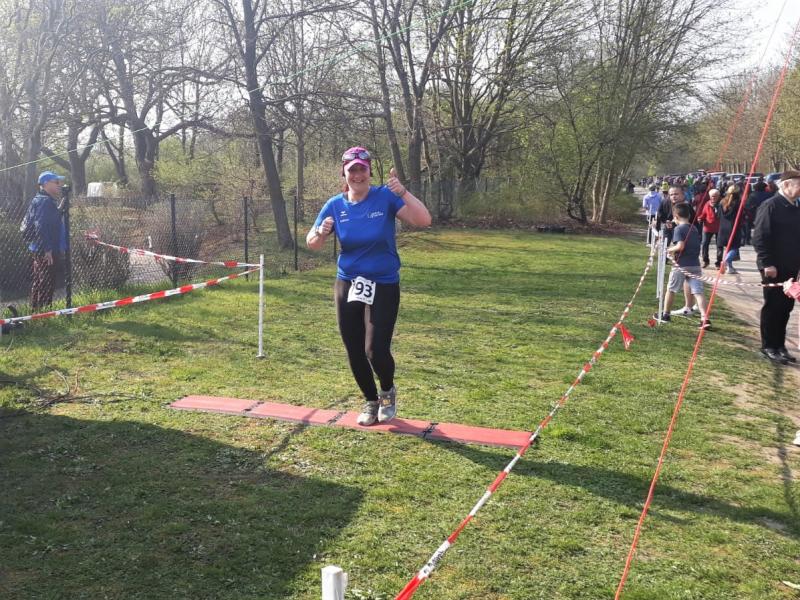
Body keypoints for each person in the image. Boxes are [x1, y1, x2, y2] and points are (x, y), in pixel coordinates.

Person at [307, 147, 431, 426]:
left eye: (362, 169)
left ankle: (387, 391)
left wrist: (403, 192)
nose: (357, 175)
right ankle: (370, 401)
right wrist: (321, 233)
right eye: (352, 170)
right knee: (354, 348)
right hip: (348, 282)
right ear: (344, 173)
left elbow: (424, 220)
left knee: (375, 349)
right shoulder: (335, 205)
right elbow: (311, 242)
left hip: (383, 283)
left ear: (369, 171)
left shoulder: (385, 197)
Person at [751, 169, 800, 367]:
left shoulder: (795, 207)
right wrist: (766, 262)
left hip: (791, 267)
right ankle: (769, 346)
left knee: (786, 308)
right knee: (773, 307)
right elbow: (760, 236)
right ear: (786, 184)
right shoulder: (770, 205)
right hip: (774, 267)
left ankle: (780, 345)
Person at [653, 203, 711, 330]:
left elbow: (680, 246)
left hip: (681, 265)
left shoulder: (679, 229)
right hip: (695, 265)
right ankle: (704, 318)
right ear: (689, 216)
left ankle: (666, 314)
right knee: (698, 292)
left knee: (671, 289)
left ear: (676, 216)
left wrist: (668, 250)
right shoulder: (694, 228)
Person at [25, 171, 66, 311]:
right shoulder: (45, 201)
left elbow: (49, 221)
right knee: (47, 281)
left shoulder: (42, 199)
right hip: (46, 248)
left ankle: (35, 310)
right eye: (56, 182)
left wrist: (60, 208)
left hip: (40, 247)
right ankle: (44, 312)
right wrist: (47, 249)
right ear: (46, 183)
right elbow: (41, 225)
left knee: (40, 280)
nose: (59, 185)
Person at [716, 185, 742, 274]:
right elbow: (741, 216)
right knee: (735, 247)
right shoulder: (738, 203)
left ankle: (730, 268)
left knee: (728, 248)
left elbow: (718, 215)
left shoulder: (722, 202)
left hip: (723, 227)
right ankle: (726, 261)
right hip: (734, 227)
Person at [698, 188, 721, 268]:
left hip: (719, 227)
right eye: (712, 196)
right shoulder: (707, 204)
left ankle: (718, 262)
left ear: (718, 196)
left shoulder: (721, 204)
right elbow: (704, 214)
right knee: (704, 243)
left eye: (715, 196)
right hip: (708, 227)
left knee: (719, 245)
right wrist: (700, 218)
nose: (713, 198)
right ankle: (705, 260)